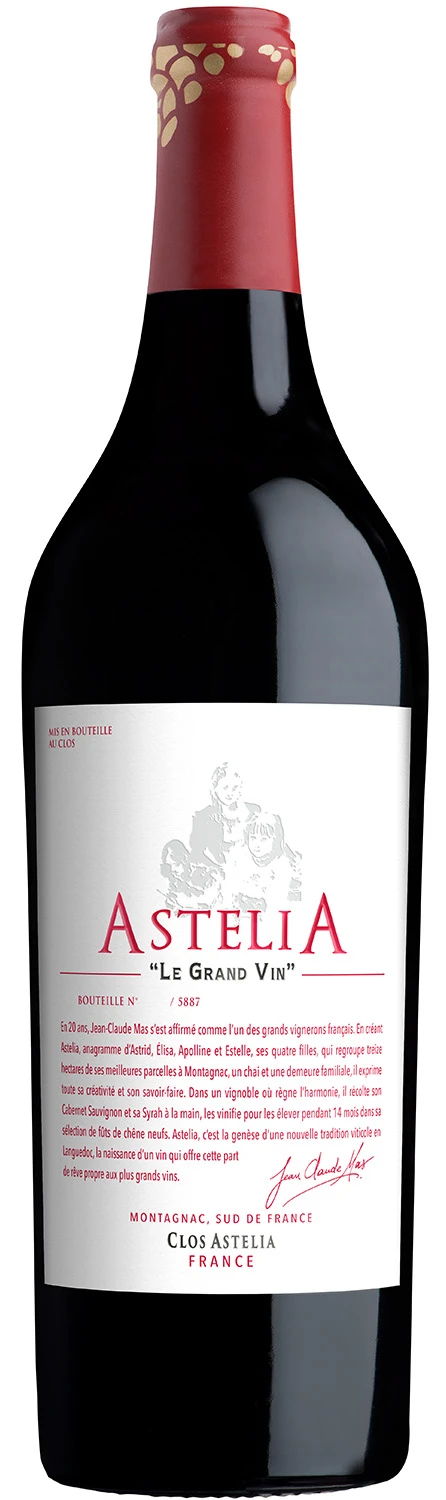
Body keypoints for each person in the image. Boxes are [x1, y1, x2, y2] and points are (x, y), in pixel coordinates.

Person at [189, 763, 259, 871]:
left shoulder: (253, 811)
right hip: (217, 873)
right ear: (215, 789)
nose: (230, 793)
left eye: (234, 788)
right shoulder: (203, 818)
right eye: (225, 787)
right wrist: (218, 870)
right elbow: (196, 854)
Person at [231, 810, 302, 912]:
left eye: (264, 839)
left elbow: (280, 899)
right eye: (253, 838)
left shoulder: (283, 864)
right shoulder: (241, 860)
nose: (257, 844)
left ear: (276, 840)